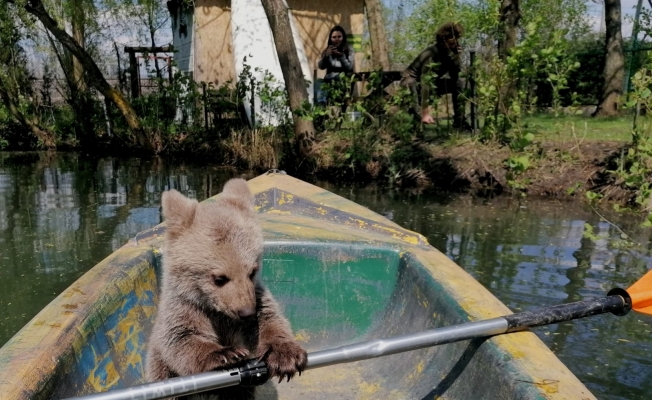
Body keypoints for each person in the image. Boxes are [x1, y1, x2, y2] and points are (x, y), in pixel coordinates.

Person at [400, 21, 468, 129]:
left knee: (460, 82)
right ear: (443, 41)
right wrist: (425, 112)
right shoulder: (432, 52)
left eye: (456, 42)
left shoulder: (449, 53)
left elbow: (455, 75)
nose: (454, 45)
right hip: (413, 82)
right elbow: (425, 82)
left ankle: (459, 121)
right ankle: (416, 123)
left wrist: (456, 57)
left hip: (433, 83)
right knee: (410, 82)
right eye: (451, 43)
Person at [317, 25, 355, 105]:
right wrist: (326, 56)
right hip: (329, 81)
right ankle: (321, 109)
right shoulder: (327, 50)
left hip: (344, 80)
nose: (337, 39)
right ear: (330, 39)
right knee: (318, 84)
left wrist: (341, 56)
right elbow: (321, 66)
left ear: (343, 37)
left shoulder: (349, 49)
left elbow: (350, 67)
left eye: (339, 37)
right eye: (334, 37)